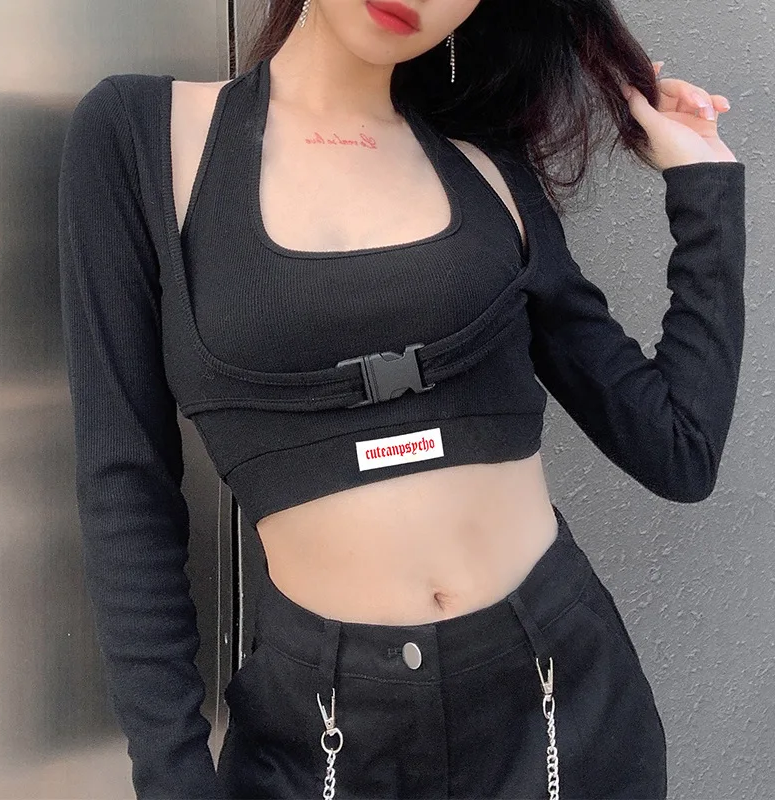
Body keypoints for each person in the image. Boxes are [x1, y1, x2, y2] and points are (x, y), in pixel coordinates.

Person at [57, 0, 745, 798]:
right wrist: (173, 778)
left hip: (565, 714)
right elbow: (126, 486)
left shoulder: (487, 165)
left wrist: (705, 188)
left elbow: (677, 449)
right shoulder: (141, 136)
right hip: (321, 743)